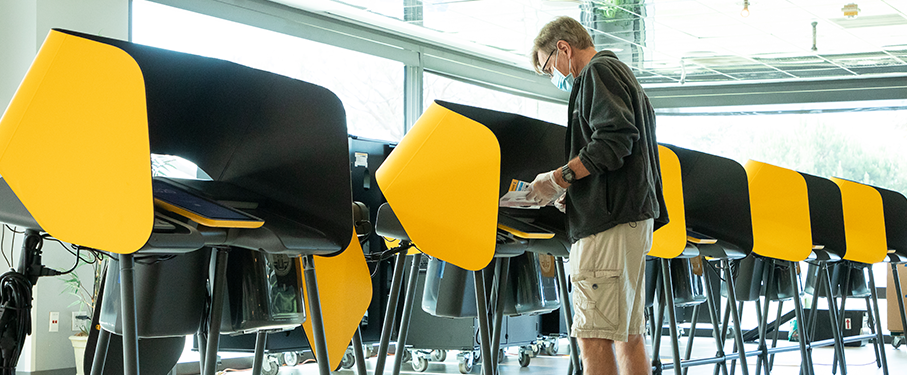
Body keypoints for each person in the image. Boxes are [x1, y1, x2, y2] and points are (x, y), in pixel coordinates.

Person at [526, 16, 668, 375]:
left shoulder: (596, 74)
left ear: (563, 48)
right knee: (627, 334)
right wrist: (573, 192)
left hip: (607, 225)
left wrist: (559, 179)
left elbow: (613, 141)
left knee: (594, 336)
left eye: (548, 66)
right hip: (628, 219)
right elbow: (623, 152)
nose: (553, 76)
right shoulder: (622, 75)